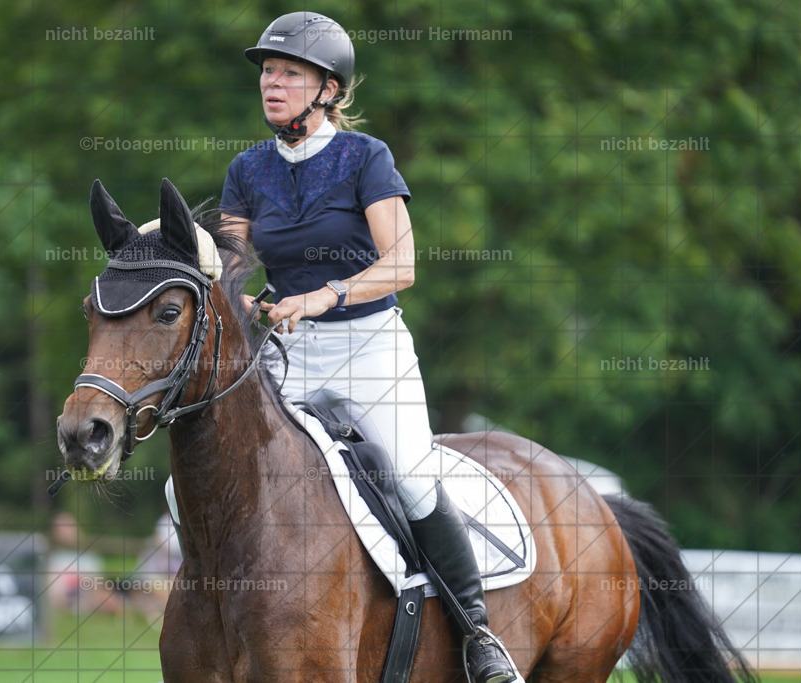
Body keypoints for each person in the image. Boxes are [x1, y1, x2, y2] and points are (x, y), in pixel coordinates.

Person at [218, 12, 522, 683]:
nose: (271, 82)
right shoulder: (247, 169)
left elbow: (402, 263)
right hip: (286, 353)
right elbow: (232, 262)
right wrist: (232, 291)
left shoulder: (365, 158)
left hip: (369, 349)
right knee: (231, 470)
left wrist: (325, 294)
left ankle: (478, 636)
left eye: (289, 73)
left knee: (411, 477)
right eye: (267, 71)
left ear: (328, 88)